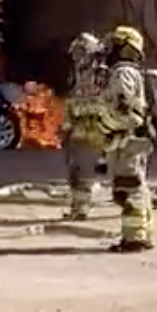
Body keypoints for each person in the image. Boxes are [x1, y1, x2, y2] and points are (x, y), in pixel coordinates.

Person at [99, 24, 157, 252]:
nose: (109, 50)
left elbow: (123, 107)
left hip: (127, 140)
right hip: (133, 140)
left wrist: (106, 127)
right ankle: (141, 234)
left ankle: (135, 238)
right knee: (136, 186)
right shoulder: (129, 72)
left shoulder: (122, 73)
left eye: (114, 45)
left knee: (129, 188)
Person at [62, 31, 110, 220]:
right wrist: (67, 125)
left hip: (94, 130)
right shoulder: (76, 75)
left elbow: (106, 102)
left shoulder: (102, 74)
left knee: (85, 172)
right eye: (76, 53)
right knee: (75, 171)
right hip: (77, 130)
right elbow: (72, 101)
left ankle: (81, 210)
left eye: (81, 52)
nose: (77, 57)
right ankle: (78, 208)